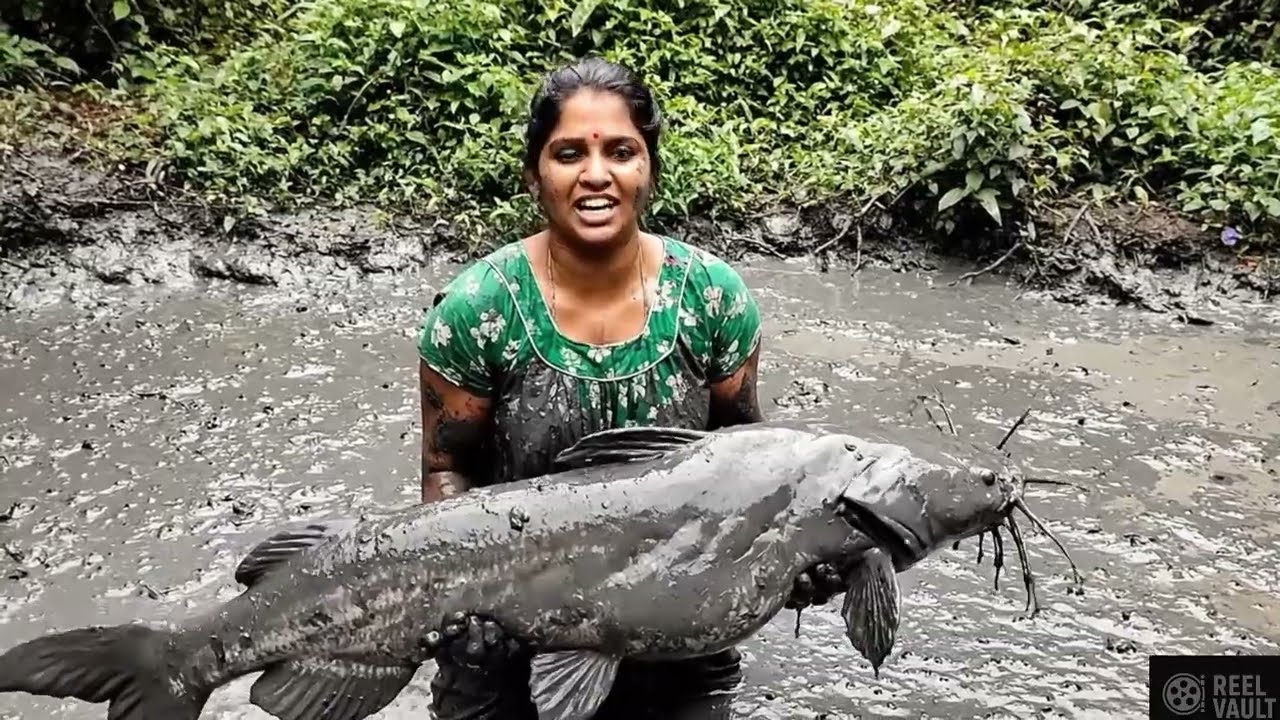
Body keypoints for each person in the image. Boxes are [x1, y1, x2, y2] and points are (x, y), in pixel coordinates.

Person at [416, 55, 847, 720]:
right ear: (534, 174)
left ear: (649, 168)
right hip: (511, 640)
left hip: (680, 646)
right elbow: (446, 471)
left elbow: (756, 465)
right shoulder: (477, 309)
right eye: (568, 153)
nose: (596, 175)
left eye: (621, 150)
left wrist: (797, 555)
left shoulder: (711, 299)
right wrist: (469, 602)